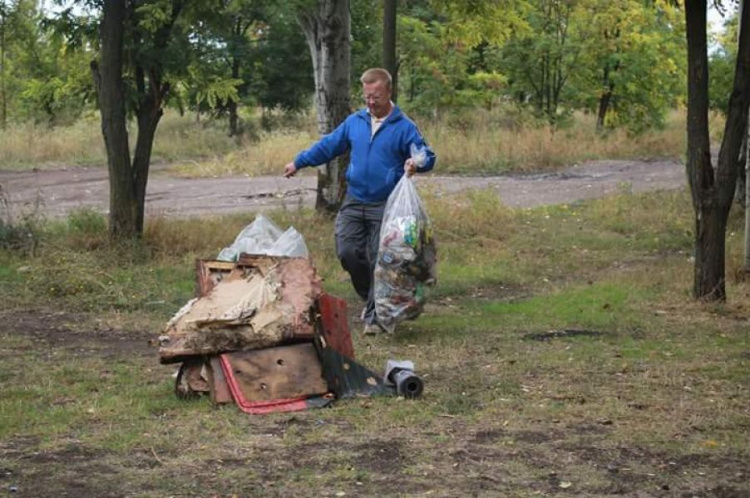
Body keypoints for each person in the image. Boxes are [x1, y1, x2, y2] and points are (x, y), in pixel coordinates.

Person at [283, 68, 436, 335]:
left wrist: (416, 163)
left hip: (385, 203)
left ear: (389, 91)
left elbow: (425, 153)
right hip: (355, 199)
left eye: (375, 96)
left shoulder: (404, 126)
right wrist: (300, 161)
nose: (370, 102)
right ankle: (372, 299)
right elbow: (328, 145)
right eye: (366, 96)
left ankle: (376, 316)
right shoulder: (355, 122)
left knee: (382, 259)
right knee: (348, 252)